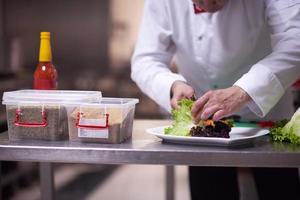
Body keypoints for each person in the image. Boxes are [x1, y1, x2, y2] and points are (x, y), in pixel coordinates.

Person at [131, 0, 300, 199]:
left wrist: (243, 91)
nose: (210, 3)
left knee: (278, 190)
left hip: (268, 112)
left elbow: (295, 42)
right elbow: (145, 60)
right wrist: (172, 85)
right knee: (210, 191)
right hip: (202, 124)